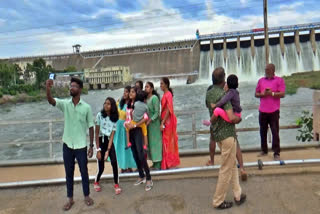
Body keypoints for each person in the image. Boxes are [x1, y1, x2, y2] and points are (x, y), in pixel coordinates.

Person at [46, 77, 94, 211]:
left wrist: (91, 146)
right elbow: (51, 101)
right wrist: (48, 89)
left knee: (84, 172)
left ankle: (86, 196)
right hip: (67, 144)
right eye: (70, 86)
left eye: (73, 86)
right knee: (69, 172)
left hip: (81, 145)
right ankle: (70, 199)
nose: (71, 88)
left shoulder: (87, 108)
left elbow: (91, 126)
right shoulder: (65, 104)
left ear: (80, 89)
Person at [206, 67, 246, 209]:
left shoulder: (209, 93)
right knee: (225, 168)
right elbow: (231, 117)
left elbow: (212, 110)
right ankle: (218, 201)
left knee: (232, 164)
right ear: (224, 79)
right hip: (228, 135)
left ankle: (238, 194)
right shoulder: (225, 94)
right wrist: (239, 120)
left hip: (217, 135)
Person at [255, 63, 285, 161]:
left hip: (274, 111)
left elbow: (282, 94)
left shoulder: (279, 80)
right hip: (262, 110)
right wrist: (262, 94)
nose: (266, 71)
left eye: (268, 70)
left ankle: (276, 152)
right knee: (262, 131)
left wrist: (271, 93)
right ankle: (264, 150)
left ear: (273, 70)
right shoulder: (261, 80)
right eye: (265, 70)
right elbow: (256, 94)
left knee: (275, 131)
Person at [93, 97, 122, 195]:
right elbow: (96, 134)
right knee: (101, 166)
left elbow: (112, 135)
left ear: (112, 106)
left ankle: (116, 184)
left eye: (108, 103)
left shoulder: (114, 118)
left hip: (109, 142)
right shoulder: (99, 116)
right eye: (105, 103)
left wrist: (108, 151)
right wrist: (98, 150)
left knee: (114, 162)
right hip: (100, 141)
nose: (106, 105)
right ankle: (96, 181)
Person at [113, 86, 137, 173]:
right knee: (119, 148)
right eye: (124, 91)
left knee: (128, 148)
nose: (125, 93)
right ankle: (122, 166)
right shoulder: (120, 103)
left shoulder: (131, 105)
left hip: (127, 129)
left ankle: (129, 166)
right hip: (118, 129)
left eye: (127, 92)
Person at [160, 77, 180, 170]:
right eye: (160, 84)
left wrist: (163, 121)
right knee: (166, 140)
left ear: (166, 84)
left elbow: (169, 109)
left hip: (167, 120)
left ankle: (169, 162)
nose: (160, 86)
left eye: (162, 84)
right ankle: (167, 162)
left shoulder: (168, 95)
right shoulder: (165, 94)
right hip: (165, 118)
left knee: (168, 140)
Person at [145, 81, 162, 170]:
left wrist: (150, 120)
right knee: (150, 143)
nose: (146, 88)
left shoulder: (154, 98)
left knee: (156, 143)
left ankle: (158, 163)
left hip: (154, 124)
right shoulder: (146, 99)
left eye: (147, 87)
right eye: (145, 87)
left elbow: (157, 112)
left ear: (151, 89)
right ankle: (154, 162)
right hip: (148, 125)